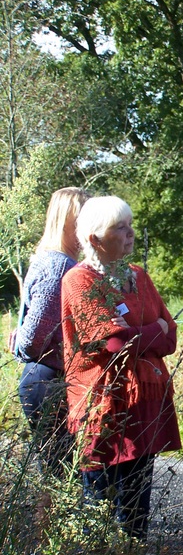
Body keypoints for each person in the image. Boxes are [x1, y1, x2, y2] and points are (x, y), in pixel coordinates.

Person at [61, 195, 181, 539]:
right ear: (95, 239)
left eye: (130, 224)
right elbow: (111, 345)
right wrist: (151, 330)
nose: (131, 232)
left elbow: (170, 336)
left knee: (136, 503)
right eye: (120, 227)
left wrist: (138, 332)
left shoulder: (139, 276)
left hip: (146, 401)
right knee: (100, 503)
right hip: (103, 407)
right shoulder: (79, 282)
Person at [14, 187, 90, 476]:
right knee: (57, 473)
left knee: (56, 470)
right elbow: (34, 336)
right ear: (68, 222)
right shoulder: (61, 265)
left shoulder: (52, 259)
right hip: (47, 380)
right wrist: (19, 347)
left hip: (47, 377)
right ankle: (46, 523)